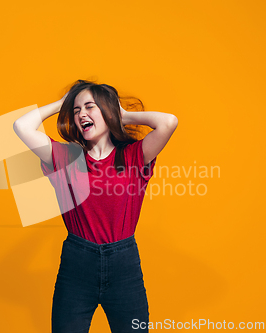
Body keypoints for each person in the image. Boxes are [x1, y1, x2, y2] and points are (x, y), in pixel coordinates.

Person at [13, 79, 178, 332]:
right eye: (76, 110)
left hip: (125, 267)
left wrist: (122, 115)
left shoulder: (134, 156)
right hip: (76, 266)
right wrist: (62, 103)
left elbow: (168, 122)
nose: (81, 115)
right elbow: (21, 126)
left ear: (108, 112)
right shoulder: (66, 158)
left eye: (90, 107)